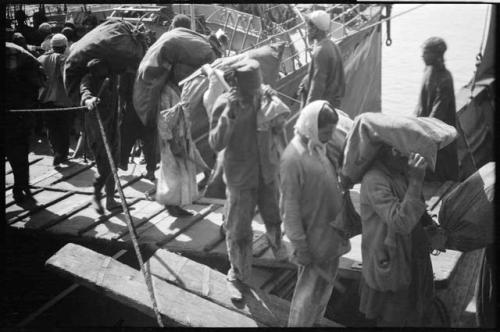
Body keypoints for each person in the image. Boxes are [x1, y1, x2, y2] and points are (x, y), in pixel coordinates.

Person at [209, 59, 283, 301]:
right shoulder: (225, 104)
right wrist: (229, 114)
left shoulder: (263, 98)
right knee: (239, 230)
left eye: (258, 87)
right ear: (239, 86)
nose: (255, 93)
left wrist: (273, 106)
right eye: (252, 89)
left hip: (266, 171)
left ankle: (277, 246)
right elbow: (215, 143)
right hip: (240, 177)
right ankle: (237, 274)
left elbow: (278, 128)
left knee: (273, 214)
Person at [280, 100, 349, 326]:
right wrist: (300, 246)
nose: (330, 136)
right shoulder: (293, 159)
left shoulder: (319, 147)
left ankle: (315, 321)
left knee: (323, 289)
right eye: (326, 132)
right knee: (307, 294)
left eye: (331, 132)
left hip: (330, 236)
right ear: (311, 126)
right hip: (312, 240)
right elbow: (289, 209)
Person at [359, 146, 434, 326]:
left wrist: (431, 227)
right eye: (406, 153)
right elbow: (400, 223)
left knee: (416, 311)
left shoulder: (400, 172)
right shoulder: (374, 180)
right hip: (392, 261)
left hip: (413, 257)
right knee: (392, 317)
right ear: (393, 151)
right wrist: (416, 181)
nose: (410, 159)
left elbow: (418, 207)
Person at [4, 42, 46, 204]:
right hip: (19, 121)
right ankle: (21, 187)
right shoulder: (26, 65)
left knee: (19, 157)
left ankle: (21, 187)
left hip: (18, 122)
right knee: (20, 158)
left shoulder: (25, 70)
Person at [80, 59, 122, 214]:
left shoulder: (111, 77)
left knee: (114, 164)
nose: (103, 73)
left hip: (113, 126)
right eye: (100, 71)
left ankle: (110, 198)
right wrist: (89, 100)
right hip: (97, 129)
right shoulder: (88, 79)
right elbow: (85, 91)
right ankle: (101, 196)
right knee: (105, 164)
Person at [415, 37, 459, 182]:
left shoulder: (445, 79)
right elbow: (420, 104)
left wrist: (420, 132)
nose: (422, 55)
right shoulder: (427, 70)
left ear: (437, 55)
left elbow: (437, 115)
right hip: (428, 128)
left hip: (442, 135)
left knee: (443, 173)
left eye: (426, 52)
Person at [38, 33, 73, 166]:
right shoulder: (63, 59)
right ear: (64, 46)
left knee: (51, 128)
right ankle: (62, 153)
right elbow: (68, 79)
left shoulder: (40, 58)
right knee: (64, 127)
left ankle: (56, 151)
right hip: (62, 100)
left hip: (45, 100)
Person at [298, 10, 345, 109]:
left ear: (315, 29)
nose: (306, 30)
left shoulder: (320, 51)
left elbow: (317, 88)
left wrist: (307, 112)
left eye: (308, 27)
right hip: (331, 106)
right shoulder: (333, 46)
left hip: (321, 110)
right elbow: (341, 83)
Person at [118, 70, 158, 182]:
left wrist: (120, 109)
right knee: (149, 141)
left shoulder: (128, 70)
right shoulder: (153, 70)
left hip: (133, 109)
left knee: (126, 137)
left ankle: (122, 162)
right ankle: (150, 170)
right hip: (148, 110)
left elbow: (122, 92)